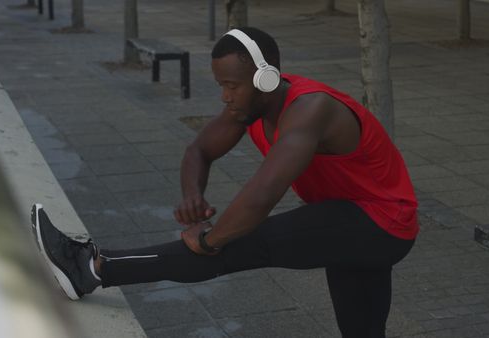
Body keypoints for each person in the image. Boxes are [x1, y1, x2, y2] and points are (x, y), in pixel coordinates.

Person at [31, 27, 418, 338]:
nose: (225, 95)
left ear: (266, 78)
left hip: (380, 223)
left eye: (232, 85)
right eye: (221, 84)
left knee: (246, 241)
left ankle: (95, 266)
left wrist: (209, 240)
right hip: (351, 222)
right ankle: (93, 267)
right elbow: (199, 150)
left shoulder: (310, 110)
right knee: (362, 330)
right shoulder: (252, 104)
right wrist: (192, 195)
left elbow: (262, 195)